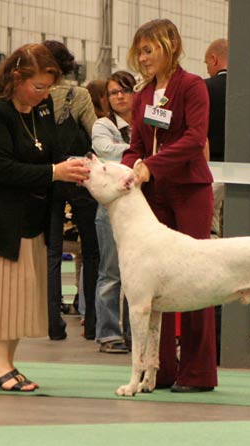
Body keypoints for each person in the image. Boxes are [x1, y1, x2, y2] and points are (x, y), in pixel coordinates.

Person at [0, 44, 90, 391]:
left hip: (28, 216)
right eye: (39, 87)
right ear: (16, 77)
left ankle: (7, 364)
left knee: (21, 295)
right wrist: (54, 173)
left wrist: (74, 167)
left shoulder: (39, 107)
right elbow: (0, 169)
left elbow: (51, 150)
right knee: (0, 293)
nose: (44, 95)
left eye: (48, 88)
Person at [122, 19, 217, 392]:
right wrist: (128, 170)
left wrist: (151, 167)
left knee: (198, 281)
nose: (143, 58)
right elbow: (136, 146)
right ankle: (157, 370)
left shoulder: (193, 86)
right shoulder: (142, 95)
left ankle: (198, 373)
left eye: (149, 50)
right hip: (153, 196)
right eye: (140, 51)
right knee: (153, 288)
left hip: (190, 191)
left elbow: (195, 139)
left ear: (171, 46)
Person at [42, 40, 99, 341]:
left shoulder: (35, 95)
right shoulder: (80, 95)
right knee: (91, 251)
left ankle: (53, 325)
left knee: (52, 252)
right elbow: (95, 134)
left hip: (46, 177)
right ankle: (92, 325)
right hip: (78, 177)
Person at [91, 71, 137, 354]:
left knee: (138, 274)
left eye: (124, 90)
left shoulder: (146, 122)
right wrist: (140, 149)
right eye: (112, 92)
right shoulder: (102, 124)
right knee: (110, 273)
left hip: (139, 210)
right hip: (109, 210)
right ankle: (108, 333)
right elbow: (106, 152)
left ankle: (135, 332)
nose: (119, 96)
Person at [204, 38, 227, 239]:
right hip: (249, 169)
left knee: (210, 222)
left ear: (214, 59)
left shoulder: (205, 88)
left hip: (214, 167)